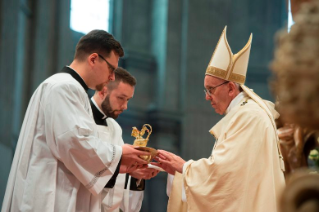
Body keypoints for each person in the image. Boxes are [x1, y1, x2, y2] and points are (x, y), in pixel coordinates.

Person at [1, 30, 150, 212]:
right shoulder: (65, 87)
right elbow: (73, 142)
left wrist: (122, 164)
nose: (112, 77)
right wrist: (119, 154)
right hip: (50, 196)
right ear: (93, 59)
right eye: (111, 69)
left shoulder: (69, 88)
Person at [153, 26, 286, 212]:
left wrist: (184, 167)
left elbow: (225, 177)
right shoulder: (244, 113)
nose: (207, 97)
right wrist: (181, 172)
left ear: (231, 88)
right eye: (205, 90)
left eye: (211, 89)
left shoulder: (248, 116)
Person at [90, 67, 159, 211]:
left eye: (128, 100)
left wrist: (134, 175)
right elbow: (83, 170)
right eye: (121, 98)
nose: (125, 106)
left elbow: (118, 171)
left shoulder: (114, 127)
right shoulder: (81, 119)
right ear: (103, 90)